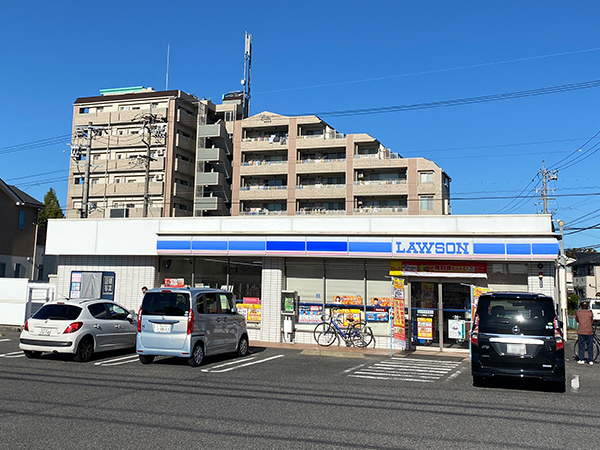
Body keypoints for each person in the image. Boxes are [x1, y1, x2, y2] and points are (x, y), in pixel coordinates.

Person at [576, 301, 594, 365]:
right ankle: (590, 360)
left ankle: (581, 359)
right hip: (589, 331)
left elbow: (577, 320)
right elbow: (592, 321)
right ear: (587, 307)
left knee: (581, 346)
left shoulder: (578, 313)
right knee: (590, 346)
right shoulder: (590, 313)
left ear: (581, 306)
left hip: (581, 331)